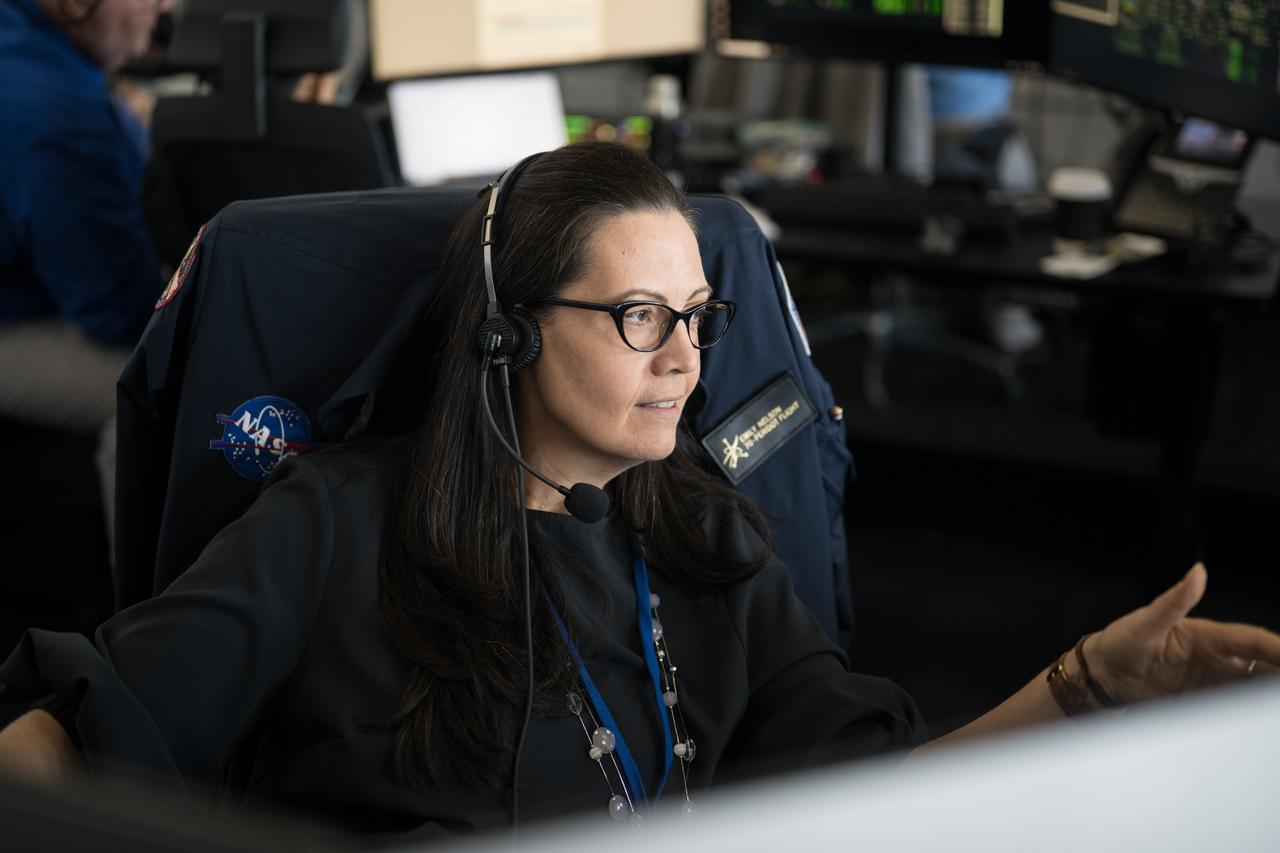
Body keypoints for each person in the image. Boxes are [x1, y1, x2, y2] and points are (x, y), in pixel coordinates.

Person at [0, 143, 1276, 843]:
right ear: (503, 331)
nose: (684, 360)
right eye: (636, 315)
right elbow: (71, 740)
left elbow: (881, 795)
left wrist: (1086, 687)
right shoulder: (332, 524)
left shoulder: (706, 533)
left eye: (696, 315)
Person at [0, 0, 172, 538]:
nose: (166, 5)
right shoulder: (53, 111)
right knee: (163, 384)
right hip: (13, 323)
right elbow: (115, 311)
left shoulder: (27, 38)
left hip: (29, 291)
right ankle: (154, 589)